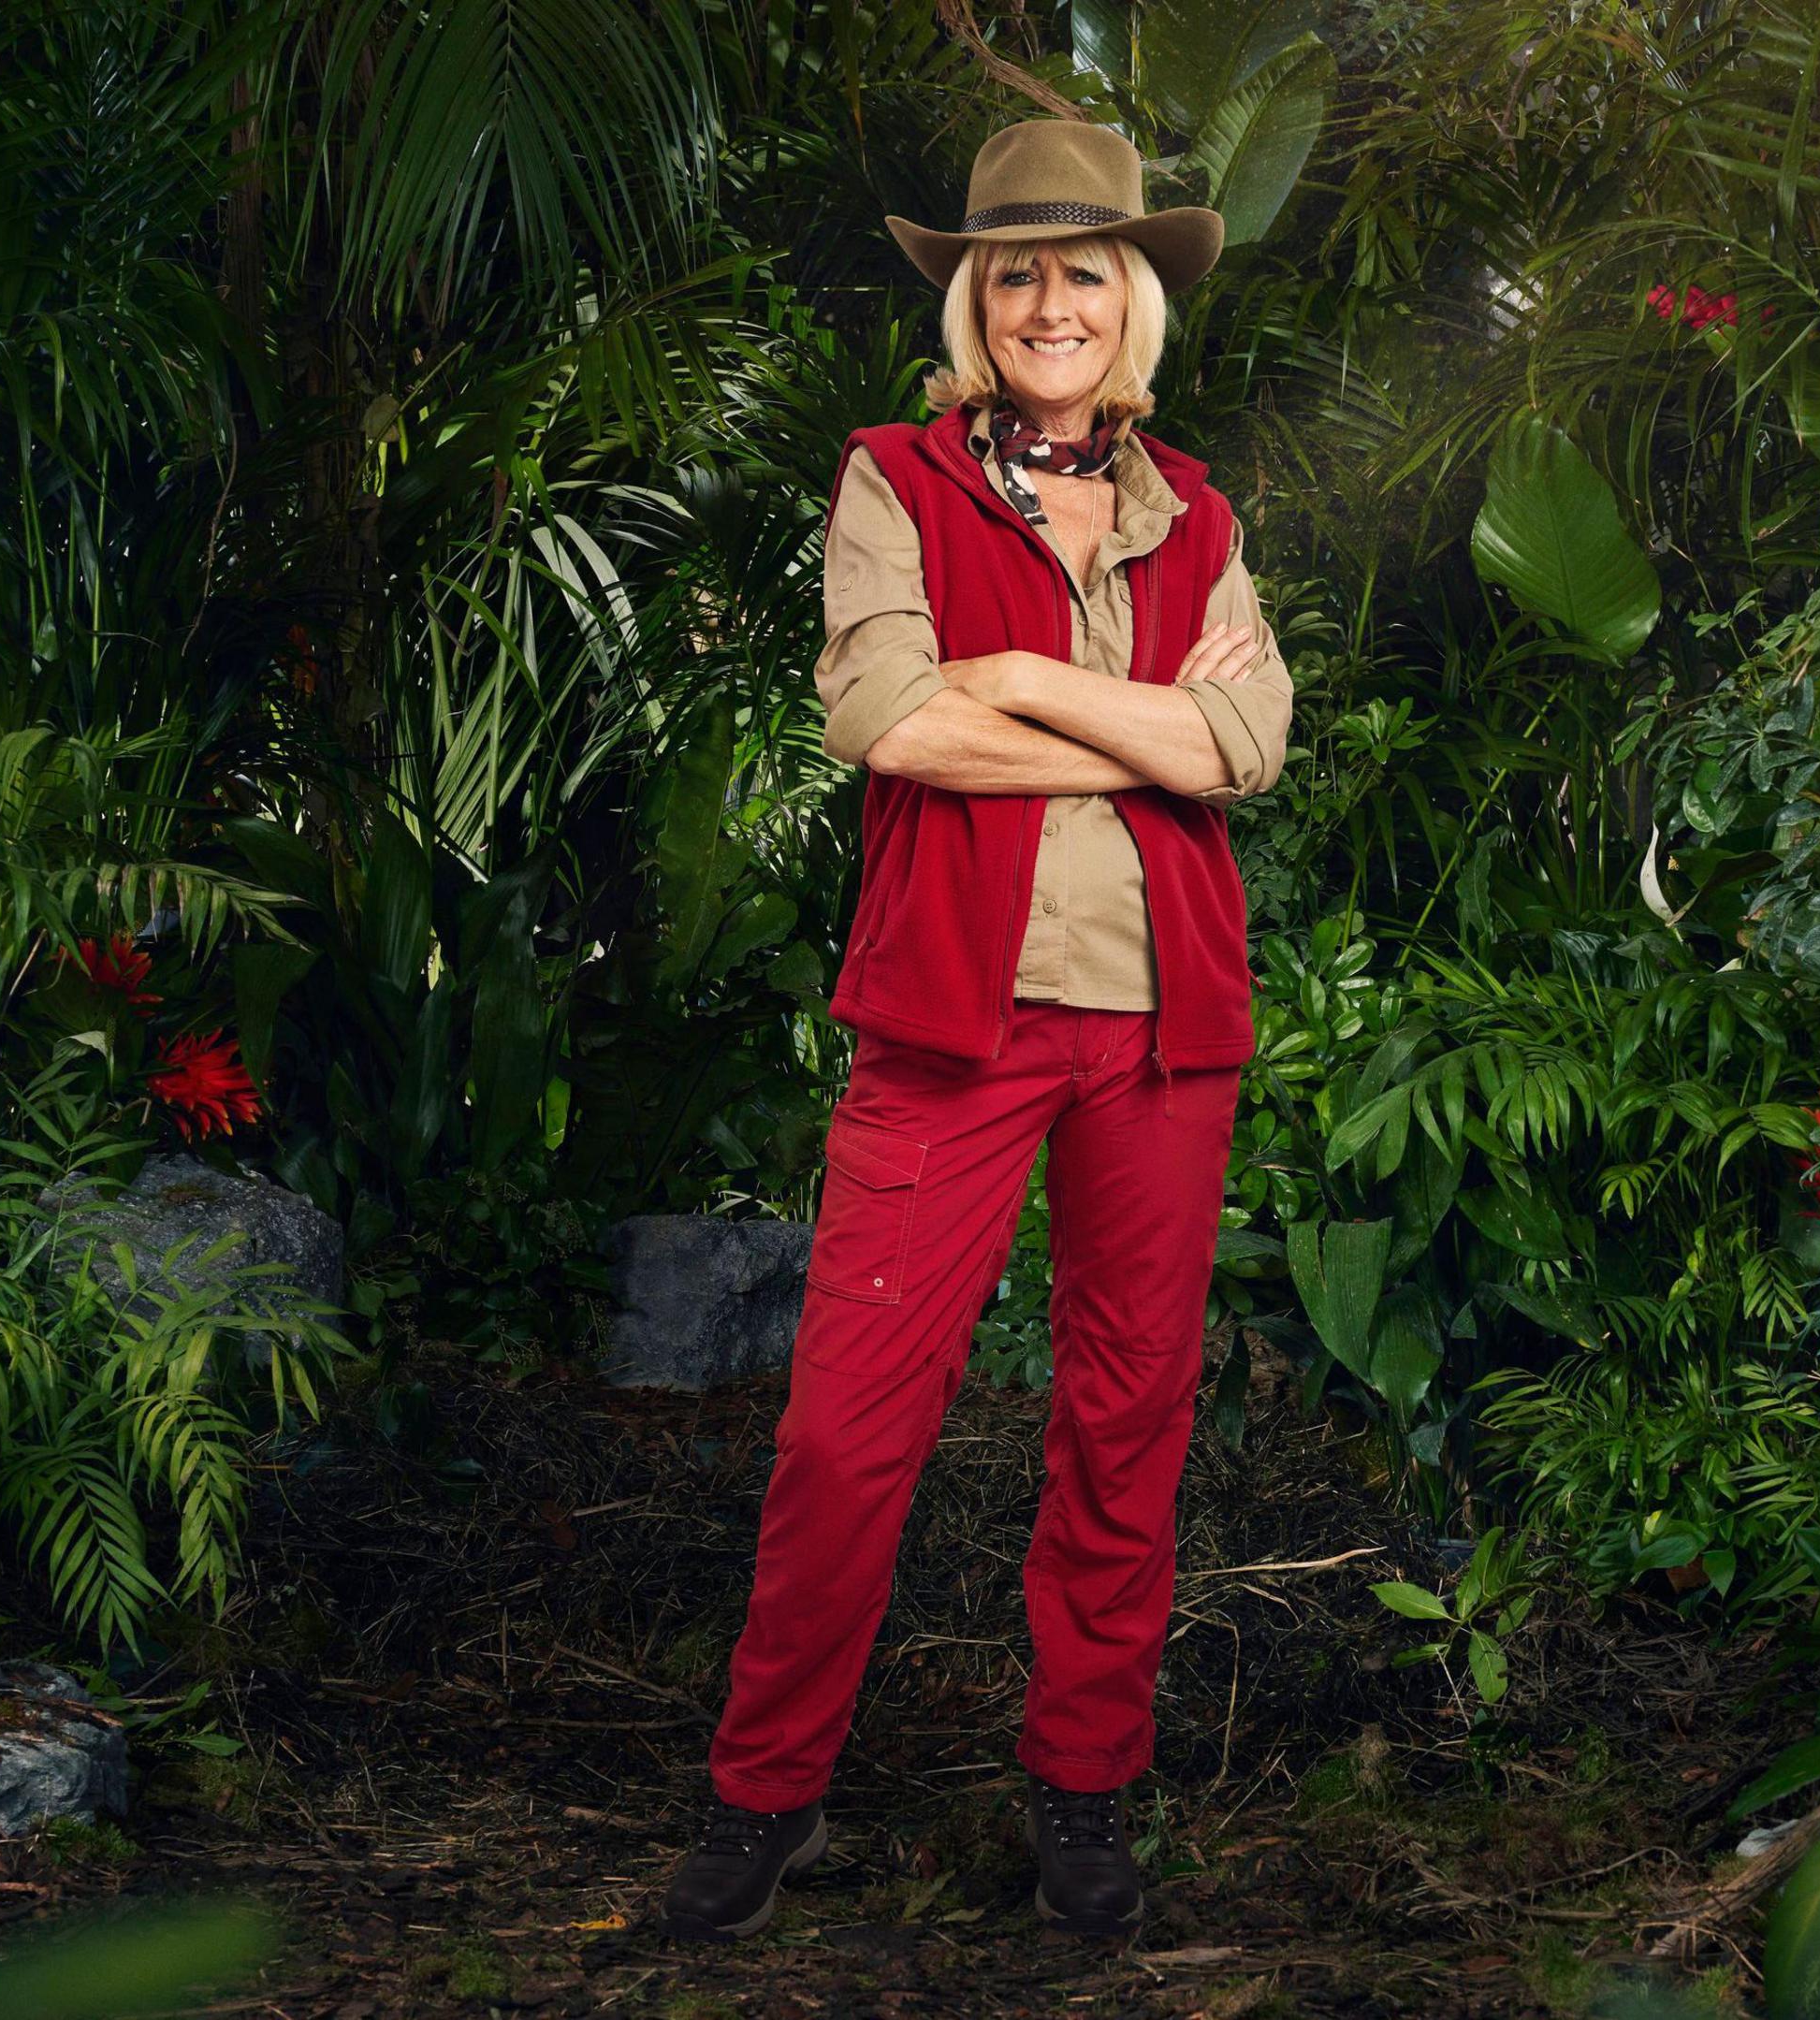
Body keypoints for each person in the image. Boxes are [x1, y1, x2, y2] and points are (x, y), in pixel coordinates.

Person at [658, 118, 1292, 1944]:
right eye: (1016, 269)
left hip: (1166, 1034)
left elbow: (1251, 750)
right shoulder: (892, 480)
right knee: (852, 1427)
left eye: (1084, 267)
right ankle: (762, 1795)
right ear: (977, 299)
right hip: (954, 1026)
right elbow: (886, 717)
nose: (1049, 300)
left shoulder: (1202, 520)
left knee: (1127, 1417)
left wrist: (1012, 676)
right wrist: (1130, 719)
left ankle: (1085, 1790)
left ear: (1135, 299)